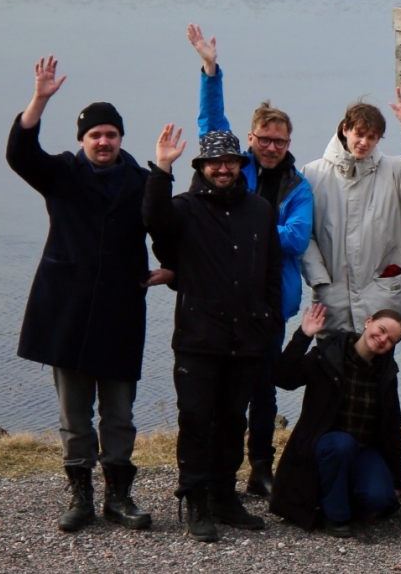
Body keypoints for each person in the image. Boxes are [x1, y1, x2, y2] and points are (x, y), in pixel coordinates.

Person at [6, 56, 169, 533]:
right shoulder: (59, 173)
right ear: (83, 140)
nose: (103, 141)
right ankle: (80, 497)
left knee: (119, 414)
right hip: (66, 311)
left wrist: (173, 269)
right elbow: (19, 153)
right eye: (95, 135)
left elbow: (165, 226)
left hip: (121, 310)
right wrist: (39, 99)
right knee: (75, 416)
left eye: (111, 134)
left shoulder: (141, 180)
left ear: (121, 139)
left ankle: (120, 497)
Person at [187, 24, 314, 498]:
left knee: (262, 389)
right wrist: (210, 69)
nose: (272, 147)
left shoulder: (298, 187)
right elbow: (208, 123)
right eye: (264, 139)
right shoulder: (229, 167)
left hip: (268, 301)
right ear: (251, 137)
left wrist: (246, 231)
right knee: (219, 392)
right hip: (220, 297)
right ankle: (216, 468)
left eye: (280, 141)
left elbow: (297, 239)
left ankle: (261, 465)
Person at [144, 125, 282, 543]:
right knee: (196, 421)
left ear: (241, 165)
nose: (223, 169)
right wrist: (162, 169)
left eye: (230, 162)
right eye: (214, 163)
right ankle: (196, 501)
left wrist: (270, 319)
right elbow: (153, 222)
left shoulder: (259, 209)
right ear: (202, 167)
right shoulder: (183, 208)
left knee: (232, 421)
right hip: (199, 338)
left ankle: (224, 497)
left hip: (248, 338)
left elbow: (271, 269)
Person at [300, 86, 401, 333]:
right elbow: (305, 234)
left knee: (381, 368)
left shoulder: (394, 171)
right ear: (345, 130)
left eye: (372, 137)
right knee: (330, 368)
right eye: (359, 133)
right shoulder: (313, 174)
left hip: (381, 301)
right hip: (334, 300)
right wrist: (320, 280)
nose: (364, 142)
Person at [269, 304, 401, 538]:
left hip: (363, 448)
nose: (383, 339)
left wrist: (398, 479)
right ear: (368, 322)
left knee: (380, 498)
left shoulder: (386, 372)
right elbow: (283, 378)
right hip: (325, 444)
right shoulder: (328, 354)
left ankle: (336, 492)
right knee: (342, 445)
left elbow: (392, 427)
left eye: (391, 340)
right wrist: (303, 335)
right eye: (381, 329)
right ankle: (336, 517)